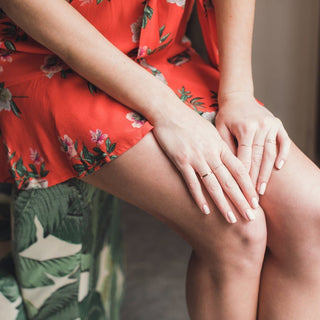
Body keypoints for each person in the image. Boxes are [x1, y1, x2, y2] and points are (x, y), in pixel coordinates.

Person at [0, 0, 319, 319]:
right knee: (237, 228)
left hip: (157, 50)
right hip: (42, 56)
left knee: (309, 210)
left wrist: (238, 95)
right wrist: (168, 112)